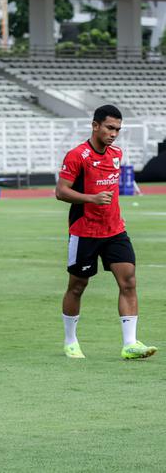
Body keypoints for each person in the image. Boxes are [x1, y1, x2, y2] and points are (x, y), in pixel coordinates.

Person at [56, 105, 156, 360]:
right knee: (77, 286)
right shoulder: (77, 155)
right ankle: (70, 341)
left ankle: (130, 344)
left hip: (114, 230)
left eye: (118, 129)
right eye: (110, 128)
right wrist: (91, 198)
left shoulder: (116, 154)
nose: (114, 134)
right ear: (95, 125)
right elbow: (61, 191)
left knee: (129, 281)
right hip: (84, 231)